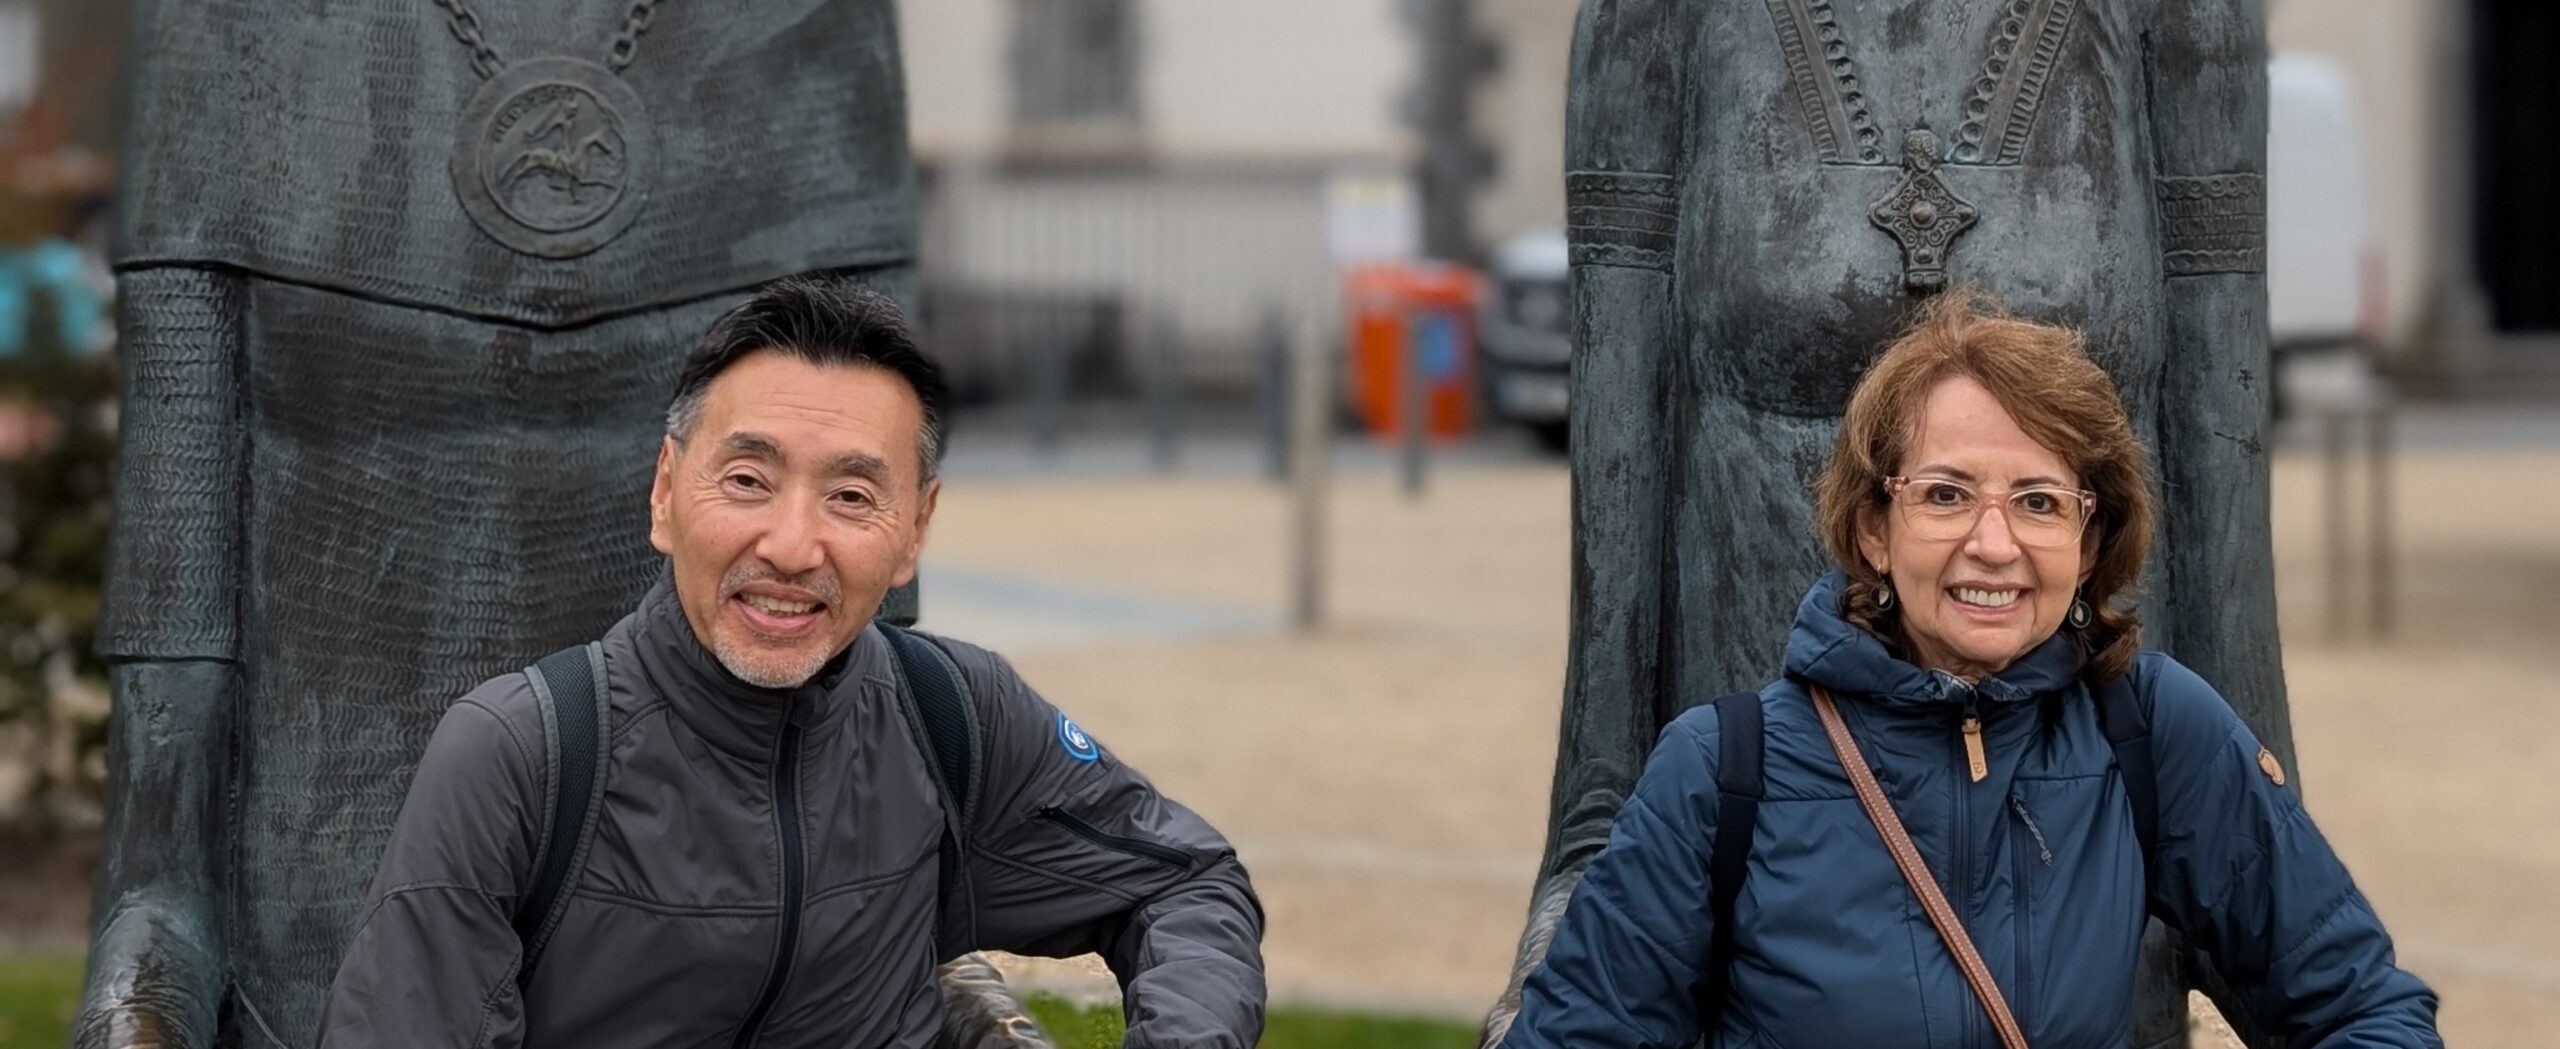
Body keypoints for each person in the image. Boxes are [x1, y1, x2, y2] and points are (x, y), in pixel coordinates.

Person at [317, 277, 1266, 1048]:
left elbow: (1185, 879)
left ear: (914, 531)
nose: (791, 544)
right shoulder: (523, 755)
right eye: (748, 479)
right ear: (664, 493)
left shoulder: (952, 716)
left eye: (851, 496)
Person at [1499, 292, 2439, 1047]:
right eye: (1946, 494)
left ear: (2089, 539)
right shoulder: (1722, 769)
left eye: (2039, 501)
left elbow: (2363, 1007)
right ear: (1874, 527)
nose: (1994, 544)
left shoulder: (2149, 730)